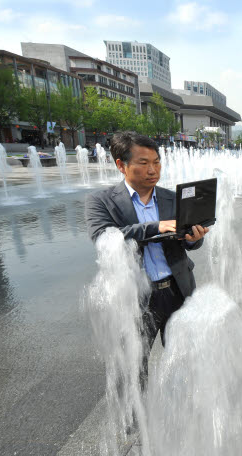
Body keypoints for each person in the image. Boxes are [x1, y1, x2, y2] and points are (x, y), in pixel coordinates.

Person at [85, 131, 208, 388]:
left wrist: (193, 237)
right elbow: (103, 238)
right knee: (133, 367)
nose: (153, 170)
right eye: (143, 163)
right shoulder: (101, 201)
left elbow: (190, 243)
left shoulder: (171, 197)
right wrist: (155, 227)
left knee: (184, 360)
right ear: (121, 165)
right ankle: (134, 421)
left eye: (157, 162)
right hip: (137, 297)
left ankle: (181, 411)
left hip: (178, 290)